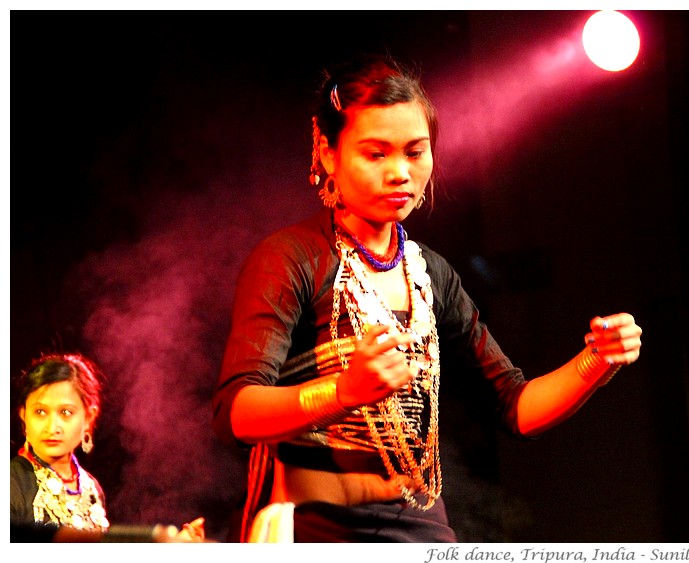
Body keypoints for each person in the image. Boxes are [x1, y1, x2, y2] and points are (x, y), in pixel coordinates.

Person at [212, 53, 643, 543]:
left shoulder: (431, 274)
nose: (400, 173)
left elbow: (516, 406)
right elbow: (235, 413)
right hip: (318, 530)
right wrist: (340, 393)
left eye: (415, 153)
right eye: (376, 154)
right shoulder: (291, 258)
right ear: (328, 153)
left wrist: (595, 363)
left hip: (422, 531)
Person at [10, 352, 207, 542]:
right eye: (40, 412)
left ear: (89, 417)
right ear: (23, 414)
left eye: (66, 413)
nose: (52, 427)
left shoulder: (92, 488)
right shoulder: (11, 482)